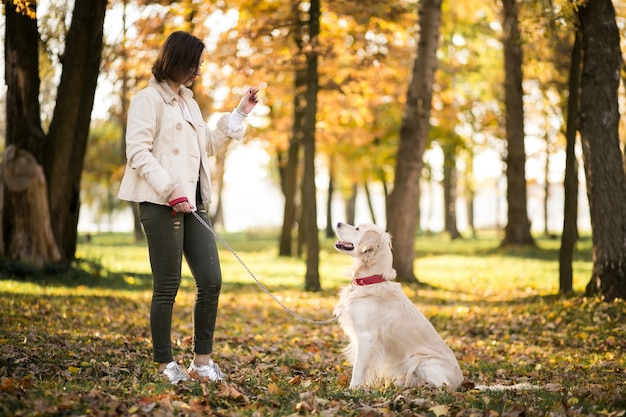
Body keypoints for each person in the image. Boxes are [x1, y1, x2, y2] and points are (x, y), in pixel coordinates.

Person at [118, 31, 259, 384]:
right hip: (160, 202)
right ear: (176, 61)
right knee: (168, 284)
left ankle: (202, 363)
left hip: (195, 204)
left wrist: (239, 114)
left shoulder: (189, 103)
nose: (198, 70)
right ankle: (166, 364)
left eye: (199, 64)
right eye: (193, 64)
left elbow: (207, 145)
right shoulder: (147, 100)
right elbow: (137, 152)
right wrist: (170, 189)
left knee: (211, 281)